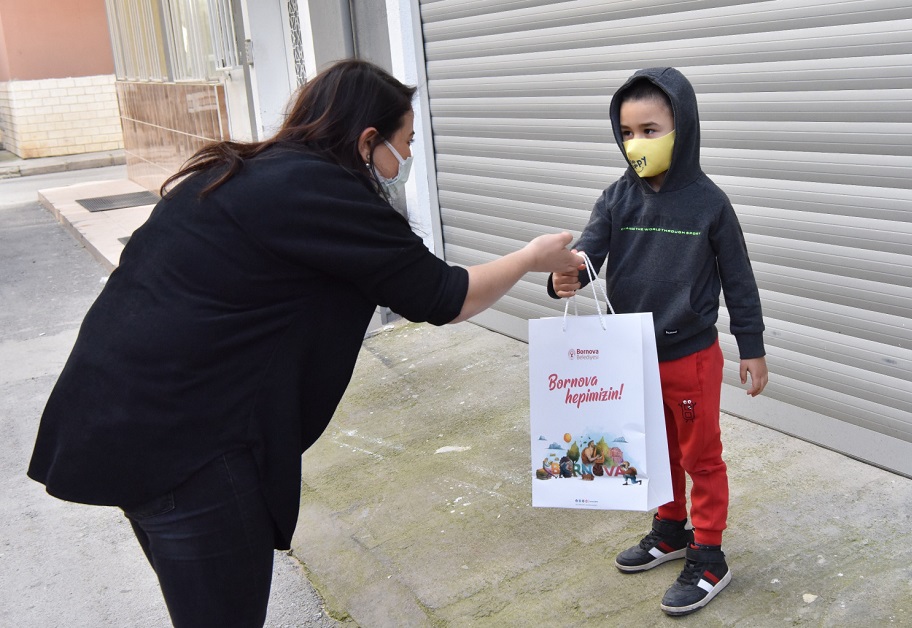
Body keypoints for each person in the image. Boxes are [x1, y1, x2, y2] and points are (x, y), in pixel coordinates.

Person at [27, 59, 582, 628]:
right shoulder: (320, 192)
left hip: (113, 422)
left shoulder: (240, 171)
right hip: (189, 450)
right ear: (369, 139)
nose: (409, 158)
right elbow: (444, 296)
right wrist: (531, 258)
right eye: (406, 142)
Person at [548, 67, 768, 616]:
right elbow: (587, 254)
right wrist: (564, 275)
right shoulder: (617, 199)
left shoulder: (709, 203)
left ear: (682, 127)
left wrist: (753, 347)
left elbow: (739, 279)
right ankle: (670, 529)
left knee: (701, 456)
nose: (637, 143)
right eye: (627, 132)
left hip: (691, 355)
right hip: (633, 354)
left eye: (651, 129)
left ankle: (709, 553)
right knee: (655, 451)